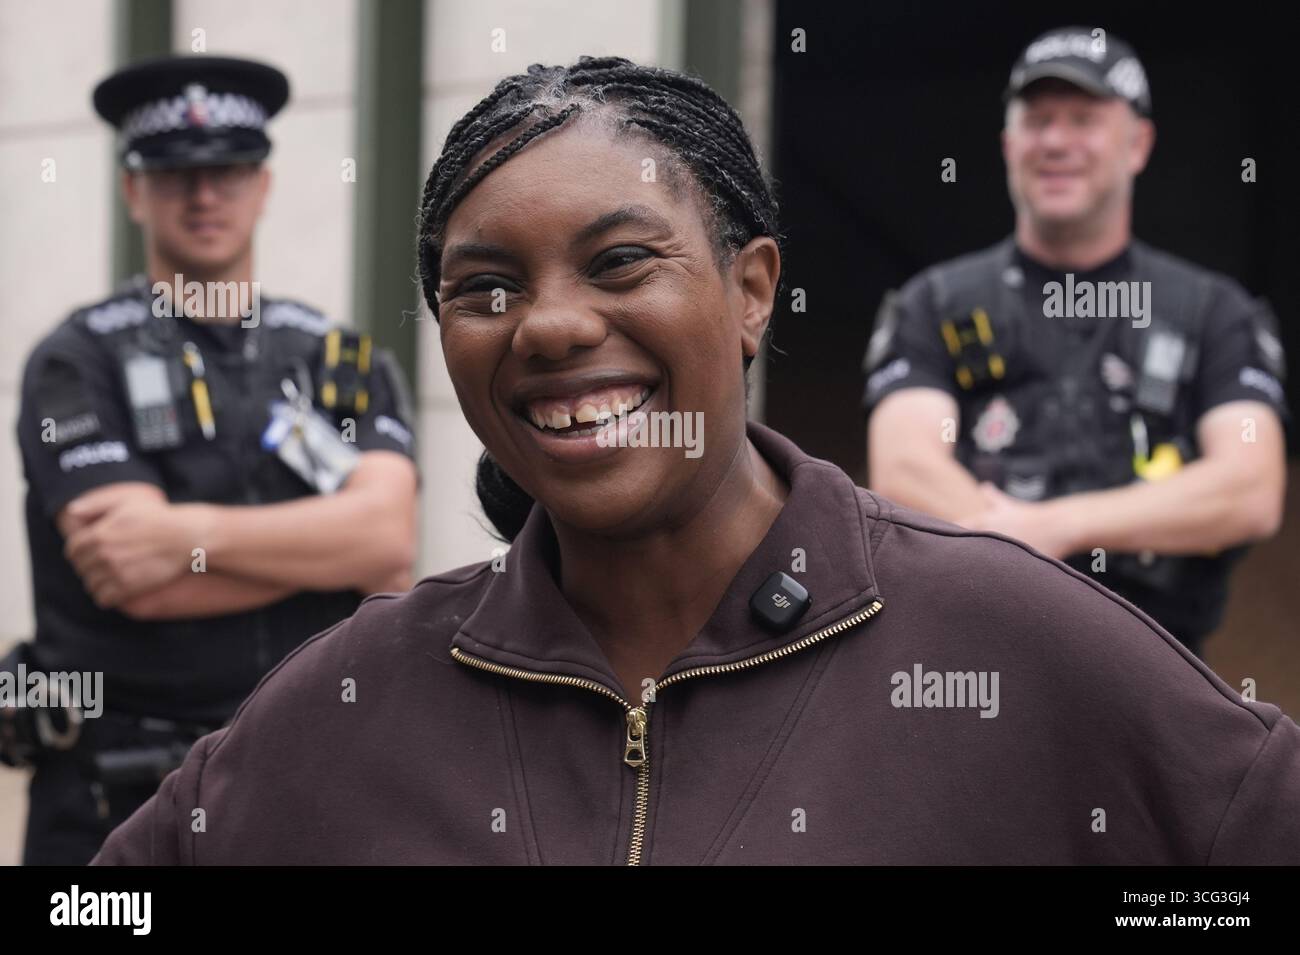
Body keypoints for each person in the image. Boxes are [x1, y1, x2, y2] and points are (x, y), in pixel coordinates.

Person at [93, 56, 1300, 866]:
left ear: (752, 290)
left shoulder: (1017, 643)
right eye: (485, 288)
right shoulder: (356, 696)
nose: (551, 324)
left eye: (620, 262)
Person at [6, 55, 419, 865]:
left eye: (227, 171)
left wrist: (182, 531)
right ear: (134, 191)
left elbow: (389, 545)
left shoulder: (336, 356)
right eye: (176, 175)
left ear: (262, 186)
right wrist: (324, 550)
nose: (204, 195)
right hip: (112, 800)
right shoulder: (74, 359)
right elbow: (131, 569)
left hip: (299, 783)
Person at [863, 27, 1288, 658]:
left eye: (1084, 120)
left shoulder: (1211, 311)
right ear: (1008, 145)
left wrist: (1053, 528)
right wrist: (1032, 565)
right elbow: (902, 468)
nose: (1056, 141)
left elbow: (1250, 489)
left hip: (1156, 667)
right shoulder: (936, 302)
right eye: (1037, 121)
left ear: (1138, 143)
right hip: (982, 658)